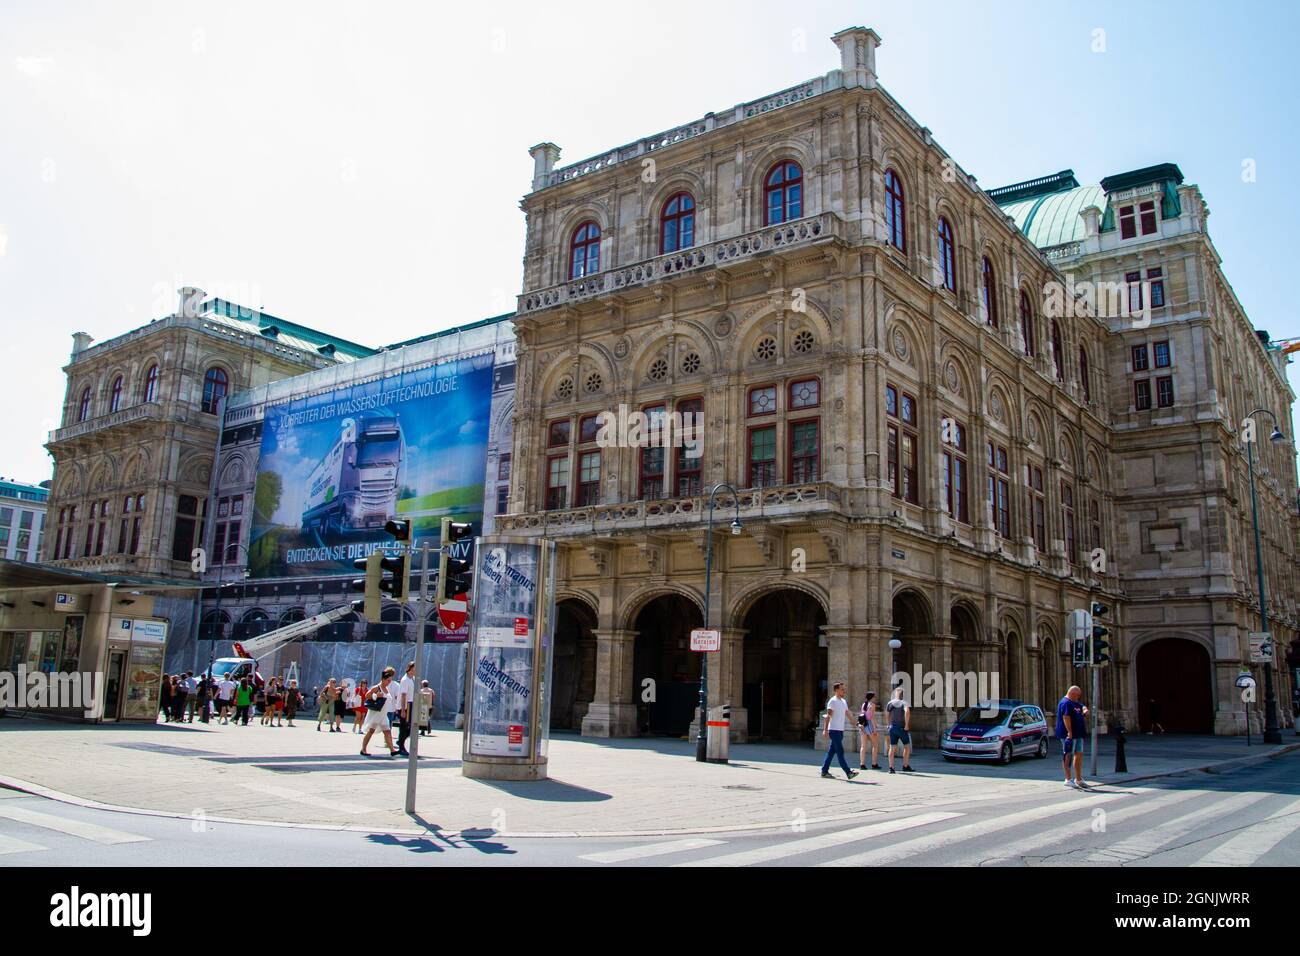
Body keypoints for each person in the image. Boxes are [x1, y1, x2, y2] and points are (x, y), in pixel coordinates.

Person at [819, 682, 859, 780]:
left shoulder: (843, 701)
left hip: (840, 730)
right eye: (842, 689)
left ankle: (824, 771)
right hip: (833, 730)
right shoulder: (832, 701)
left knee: (831, 752)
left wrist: (857, 724)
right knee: (840, 751)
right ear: (836, 690)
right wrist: (825, 730)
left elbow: (848, 714)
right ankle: (848, 772)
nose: (843, 691)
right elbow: (828, 716)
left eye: (843, 689)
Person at [360, 667, 399, 758]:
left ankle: (392, 750)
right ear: (383, 679)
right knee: (371, 731)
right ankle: (363, 749)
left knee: (387, 732)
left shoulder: (386, 688)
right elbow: (367, 696)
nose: (389, 682)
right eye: (388, 680)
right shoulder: (377, 687)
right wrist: (375, 696)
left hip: (383, 714)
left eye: (390, 680)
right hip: (376, 714)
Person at [1056, 685, 1090, 789]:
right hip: (1069, 735)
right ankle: (1068, 779)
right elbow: (1066, 717)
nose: (1078, 698)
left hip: (1078, 733)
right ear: (1072, 694)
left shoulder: (1074, 702)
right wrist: (1069, 732)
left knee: (1078, 754)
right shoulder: (1066, 703)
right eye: (1077, 695)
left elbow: (1081, 705)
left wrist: (1084, 709)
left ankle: (1078, 779)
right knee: (1068, 754)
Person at [886, 686, 912, 773]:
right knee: (907, 747)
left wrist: (888, 724)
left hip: (892, 728)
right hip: (901, 728)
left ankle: (891, 768)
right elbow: (907, 712)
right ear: (903, 695)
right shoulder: (904, 703)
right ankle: (905, 765)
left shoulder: (890, 703)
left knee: (892, 747)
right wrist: (907, 725)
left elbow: (887, 714)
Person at [395, 661, 416, 757]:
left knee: (410, 726)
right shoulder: (405, 680)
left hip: (410, 704)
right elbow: (403, 695)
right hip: (405, 705)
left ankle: (400, 741)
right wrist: (403, 710)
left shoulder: (413, 679)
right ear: (409, 669)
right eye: (413, 669)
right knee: (404, 726)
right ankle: (401, 747)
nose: (414, 671)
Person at [858, 691, 880, 770]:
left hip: (863, 726)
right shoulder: (872, 705)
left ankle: (862, 764)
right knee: (875, 745)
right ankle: (874, 764)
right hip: (869, 725)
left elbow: (863, 714)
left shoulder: (864, 704)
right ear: (872, 697)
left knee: (863, 746)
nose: (875, 698)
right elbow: (872, 717)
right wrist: (875, 729)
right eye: (874, 697)